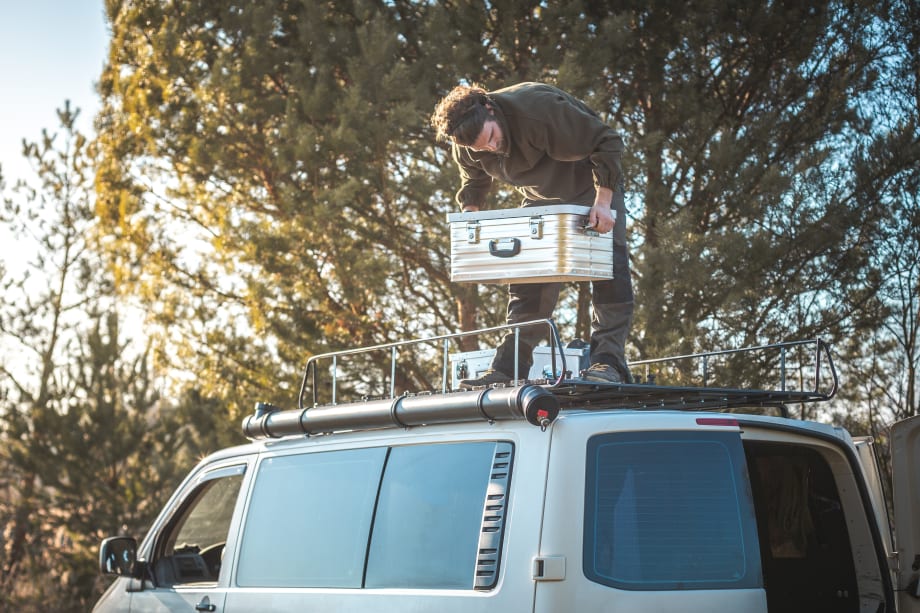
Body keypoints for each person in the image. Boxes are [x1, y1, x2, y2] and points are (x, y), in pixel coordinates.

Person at [431, 82, 634, 387]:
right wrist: (471, 211)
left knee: (608, 271)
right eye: (480, 148)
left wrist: (603, 203)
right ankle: (510, 365)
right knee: (528, 281)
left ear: (490, 109)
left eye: (491, 138)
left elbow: (607, 141)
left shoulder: (537, 111)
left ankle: (608, 362)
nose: (490, 148)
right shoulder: (468, 143)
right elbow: (473, 180)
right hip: (540, 198)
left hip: (591, 187)